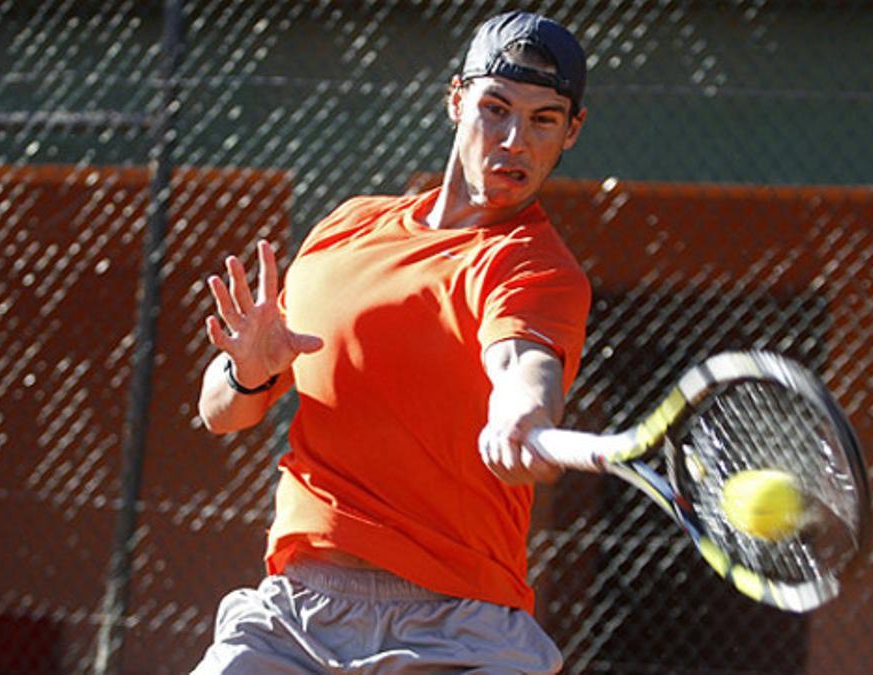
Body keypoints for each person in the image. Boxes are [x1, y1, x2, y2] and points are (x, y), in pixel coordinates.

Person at [192, 10, 591, 674]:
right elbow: (219, 412)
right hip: (294, 618)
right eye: (495, 109)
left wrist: (523, 409)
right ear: (456, 100)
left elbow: (522, 360)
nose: (514, 139)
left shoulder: (533, 265)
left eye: (543, 119)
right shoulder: (346, 228)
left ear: (570, 131)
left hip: (456, 629)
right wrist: (248, 374)